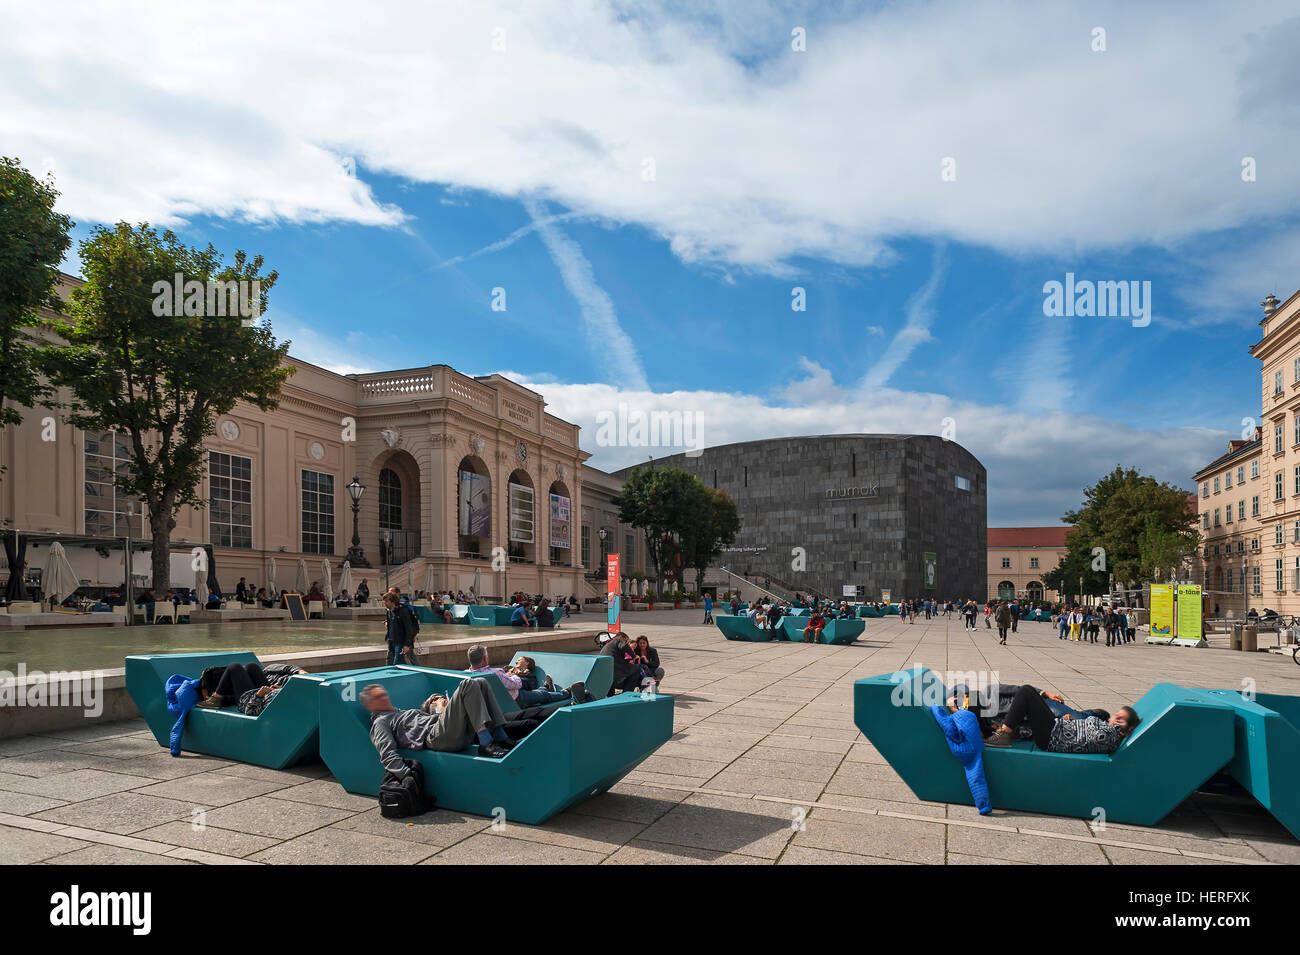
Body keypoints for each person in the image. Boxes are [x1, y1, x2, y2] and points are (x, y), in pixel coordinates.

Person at [362, 679, 518, 764]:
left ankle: (499, 735)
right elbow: (386, 752)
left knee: (481, 682)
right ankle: (486, 742)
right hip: (436, 738)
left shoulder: (399, 712)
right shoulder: (381, 722)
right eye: (378, 697)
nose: (384, 697)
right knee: (467, 684)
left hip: (445, 729)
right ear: (370, 705)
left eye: (383, 693)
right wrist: (404, 774)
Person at [982, 684, 1140, 754]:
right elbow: (1084, 736)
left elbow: (1094, 736)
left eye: (1120, 720)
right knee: (1028, 694)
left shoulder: (1111, 736)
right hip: (1057, 729)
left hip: (1052, 737)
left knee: (1026, 691)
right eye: (1116, 717)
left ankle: (1004, 735)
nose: (1116, 721)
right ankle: (1011, 731)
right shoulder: (1110, 733)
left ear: (1127, 730)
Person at [466, 645, 586, 707]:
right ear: (485, 659)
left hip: (491, 705)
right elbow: (516, 684)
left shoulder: (465, 674)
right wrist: (512, 675)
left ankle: (545, 687)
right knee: (543, 696)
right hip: (515, 700)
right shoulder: (495, 673)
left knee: (540, 693)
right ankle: (567, 693)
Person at [196, 661, 307, 709]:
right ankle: (216, 697)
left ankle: (215, 699)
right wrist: (299, 671)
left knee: (235, 667)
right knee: (251, 666)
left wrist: (279, 690)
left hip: (257, 700)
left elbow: (251, 709)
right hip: (266, 689)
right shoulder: (268, 671)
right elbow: (287, 668)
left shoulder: (300, 685)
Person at [599, 631, 646, 695]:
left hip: (605, 674)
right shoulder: (617, 640)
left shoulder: (608, 645)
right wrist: (634, 656)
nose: (626, 643)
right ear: (621, 637)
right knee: (638, 668)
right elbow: (624, 647)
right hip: (616, 671)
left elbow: (621, 657)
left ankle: (610, 695)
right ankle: (627, 693)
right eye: (626, 641)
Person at [383, 591, 418, 665]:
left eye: (386, 601)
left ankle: (417, 672)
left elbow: (408, 628)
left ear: (393, 601)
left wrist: (407, 644)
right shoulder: (389, 611)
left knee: (397, 663)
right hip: (392, 641)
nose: (384, 603)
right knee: (389, 662)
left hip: (400, 642)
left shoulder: (403, 611)